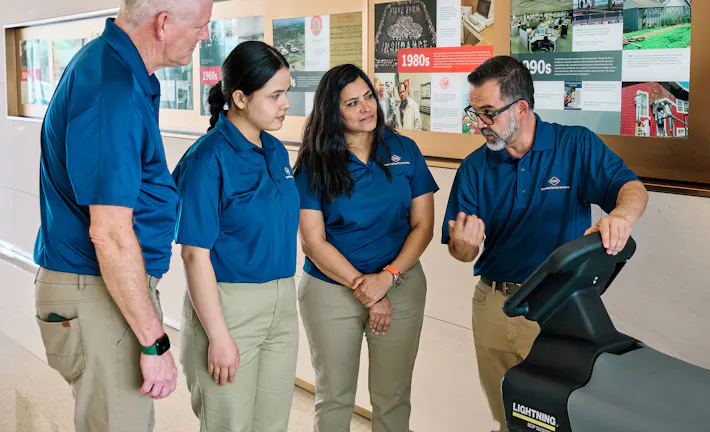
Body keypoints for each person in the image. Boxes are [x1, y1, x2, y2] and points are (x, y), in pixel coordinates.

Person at [33, 0, 216, 431]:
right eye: (200, 25)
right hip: (97, 288)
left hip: (106, 286)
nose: (205, 36)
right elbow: (110, 235)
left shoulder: (123, 73)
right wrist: (155, 342)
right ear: (163, 24)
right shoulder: (111, 90)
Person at [444, 56, 648, 432]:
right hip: (495, 305)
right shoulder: (475, 167)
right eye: (474, 112)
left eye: (488, 113)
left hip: (558, 305)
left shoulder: (574, 145)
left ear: (520, 108)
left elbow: (631, 188)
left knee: (558, 419)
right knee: (508, 418)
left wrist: (622, 216)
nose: (479, 124)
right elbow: (462, 252)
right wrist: (463, 244)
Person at [294, 64, 438, 431]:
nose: (366, 108)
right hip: (331, 290)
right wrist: (369, 291)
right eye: (352, 103)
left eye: (368, 97)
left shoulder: (404, 149)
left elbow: (423, 226)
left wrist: (387, 280)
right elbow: (313, 242)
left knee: (392, 397)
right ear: (332, 112)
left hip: (400, 285)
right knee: (335, 397)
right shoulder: (315, 163)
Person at [171, 41, 297, 432]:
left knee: (272, 424)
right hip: (228, 306)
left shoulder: (275, 150)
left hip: (282, 302)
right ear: (239, 97)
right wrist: (218, 335)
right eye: (275, 95)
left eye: (286, 93)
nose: (285, 104)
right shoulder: (207, 160)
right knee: (229, 425)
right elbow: (195, 256)